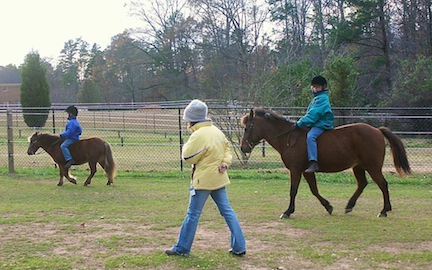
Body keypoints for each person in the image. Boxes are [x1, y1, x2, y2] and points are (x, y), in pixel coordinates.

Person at [165, 99, 246, 257]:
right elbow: (227, 148)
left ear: (191, 119)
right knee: (228, 212)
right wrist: (225, 163)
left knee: (193, 214)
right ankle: (239, 246)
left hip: (203, 181)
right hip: (219, 178)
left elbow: (187, 157)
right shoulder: (216, 131)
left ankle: (182, 248)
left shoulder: (199, 135)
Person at [296, 75, 334, 173]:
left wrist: (300, 123)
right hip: (316, 123)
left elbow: (313, 115)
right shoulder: (317, 98)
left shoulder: (322, 99)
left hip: (322, 124)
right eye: (314, 87)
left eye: (317, 87)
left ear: (323, 87)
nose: (315, 89)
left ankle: (313, 162)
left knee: (310, 136)